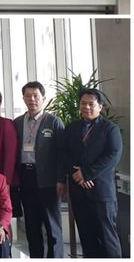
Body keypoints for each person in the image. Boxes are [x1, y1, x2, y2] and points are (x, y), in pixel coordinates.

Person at [63, 88, 123, 258]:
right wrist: (77, 174)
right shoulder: (72, 128)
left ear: (100, 106)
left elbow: (113, 155)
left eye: (91, 104)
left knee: (107, 237)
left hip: (101, 192)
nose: (86, 107)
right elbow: (64, 153)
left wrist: (87, 174)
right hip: (79, 191)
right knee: (86, 237)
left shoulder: (110, 129)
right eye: (83, 103)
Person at [13, 81, 66, 258]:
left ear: (43, 98)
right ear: (23, 99)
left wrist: (61, 179)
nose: (32, 99)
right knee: (31, 225)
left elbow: (62, 153)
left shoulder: (54, 122)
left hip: (49, 180)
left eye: (36, 96)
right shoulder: (18, 122)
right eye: (28, 96)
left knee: (52, 226)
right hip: (26, 178)